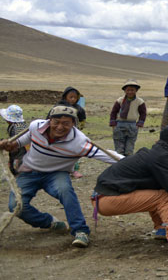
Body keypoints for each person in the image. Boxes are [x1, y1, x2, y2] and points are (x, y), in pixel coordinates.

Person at [1, 105, 121, 248]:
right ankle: (50, 223)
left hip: (57, 173)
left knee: (65, 192)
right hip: (29, 171)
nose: (59, 127)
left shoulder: (80, 142)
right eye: (56, 122)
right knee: (15, 206)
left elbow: (107, 155)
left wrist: (135, 162)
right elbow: (21, 141)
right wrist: (9, 145)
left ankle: (80, 231)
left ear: (73, 124)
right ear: (49, 120)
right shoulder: (35, 127)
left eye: (66, 123)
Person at [93, 122, 168, 256]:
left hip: (103, 197)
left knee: (160, 192)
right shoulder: (160, 157)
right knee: (164, 197)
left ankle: (162, 228)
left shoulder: (158, 154)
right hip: (105, 199)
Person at [53, 86, 87, 179]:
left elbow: (82, 120)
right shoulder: (58, 107)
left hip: (73, 135)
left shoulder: (79, 109)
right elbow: (50, 119)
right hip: (59, 134)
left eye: (75, 97)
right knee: (59, 151)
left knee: (74, 152)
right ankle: (58, 170)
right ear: (65, 97)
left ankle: (74, 170)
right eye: (70, 97)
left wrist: (80, 129)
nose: (73, 99)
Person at [109, 80, 147, 156]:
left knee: (130, 148)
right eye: (128, 90)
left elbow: (143, 113)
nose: (130, 92)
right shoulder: (119, 100)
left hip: (132, 125)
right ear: (125, 90)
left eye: (132, 90)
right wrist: (113, 124)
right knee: (119, 148)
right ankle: (119, 164)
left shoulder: (140, 102)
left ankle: (127, 163)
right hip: (119, 125)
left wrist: (139, 124)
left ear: (136, 90)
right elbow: (113, 112)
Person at [2, 104, 27, 175]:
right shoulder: (22, 125)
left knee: (18, 168)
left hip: (19, 152)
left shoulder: (16, 129)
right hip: (23, 151)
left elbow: (16, 143)